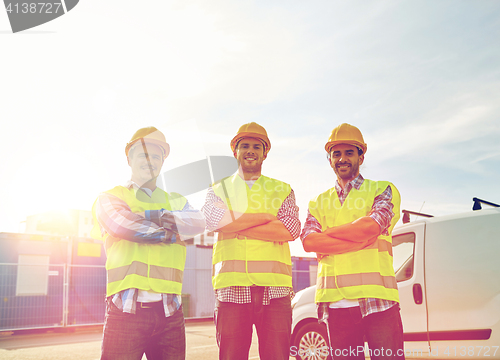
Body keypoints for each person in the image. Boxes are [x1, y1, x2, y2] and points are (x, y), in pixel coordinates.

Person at [91, 126, 206, 360]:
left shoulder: (176, 199)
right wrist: (173, 230)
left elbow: (198, 223)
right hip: (125, 311)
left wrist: (146, 216)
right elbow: (123, 226)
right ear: (129, 158)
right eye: (143, 154)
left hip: (170, 312)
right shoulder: (110, 197)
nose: (150, 160)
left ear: (163, 162)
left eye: (156, 156)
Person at [301, 123, 404, 360]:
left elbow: (372, 226)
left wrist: (327, 236)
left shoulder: (382, 190)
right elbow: (309, 242)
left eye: (349, 152)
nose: (342, 158)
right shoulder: (318, 202)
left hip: (378, 300)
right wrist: (357, 239)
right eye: (336, 153)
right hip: (336, 305)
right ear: (329, 159)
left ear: (361, 156)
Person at [201, 122, 300, 360]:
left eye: (257, 146)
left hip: (275, 292)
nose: (250, 151)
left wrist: (235, 225)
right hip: (232, 291)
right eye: (244, 145)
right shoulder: (218, 189)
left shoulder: (282, 189)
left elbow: (290, 229)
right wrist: (266, 219)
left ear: (265, 152)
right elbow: (213, 220)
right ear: (235, 151)